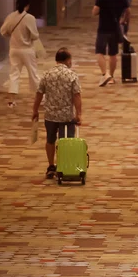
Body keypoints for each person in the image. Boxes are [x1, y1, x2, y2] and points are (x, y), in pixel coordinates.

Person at [31, 48, 82, 179]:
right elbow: (76, 96)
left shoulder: (47, 74)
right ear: (68, 60)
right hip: (67, 116)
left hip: (50, 115)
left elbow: (39, 93)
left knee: (50, 140)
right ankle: (64, 165)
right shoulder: (72, 75)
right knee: (66, 141)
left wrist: (35, 110)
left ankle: (51, 166)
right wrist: (79, 114)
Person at [0, 0, 41, 104]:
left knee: (14, 74)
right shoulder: (30, 18)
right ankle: (40, 98)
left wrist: (12, 34)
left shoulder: (11, 16)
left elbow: (3, 31)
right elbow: (35, 35)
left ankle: (12, 100)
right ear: (27, 5)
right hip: (27, 49)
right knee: (33, 73)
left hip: (14, 49)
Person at [92, 0, 130, 86]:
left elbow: (95, 12)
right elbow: (128, 11)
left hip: (103, 28)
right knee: (113, 53)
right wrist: (123, 20)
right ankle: (111, 77)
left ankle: (105, 74)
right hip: (115, 29)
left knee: (99, 52)